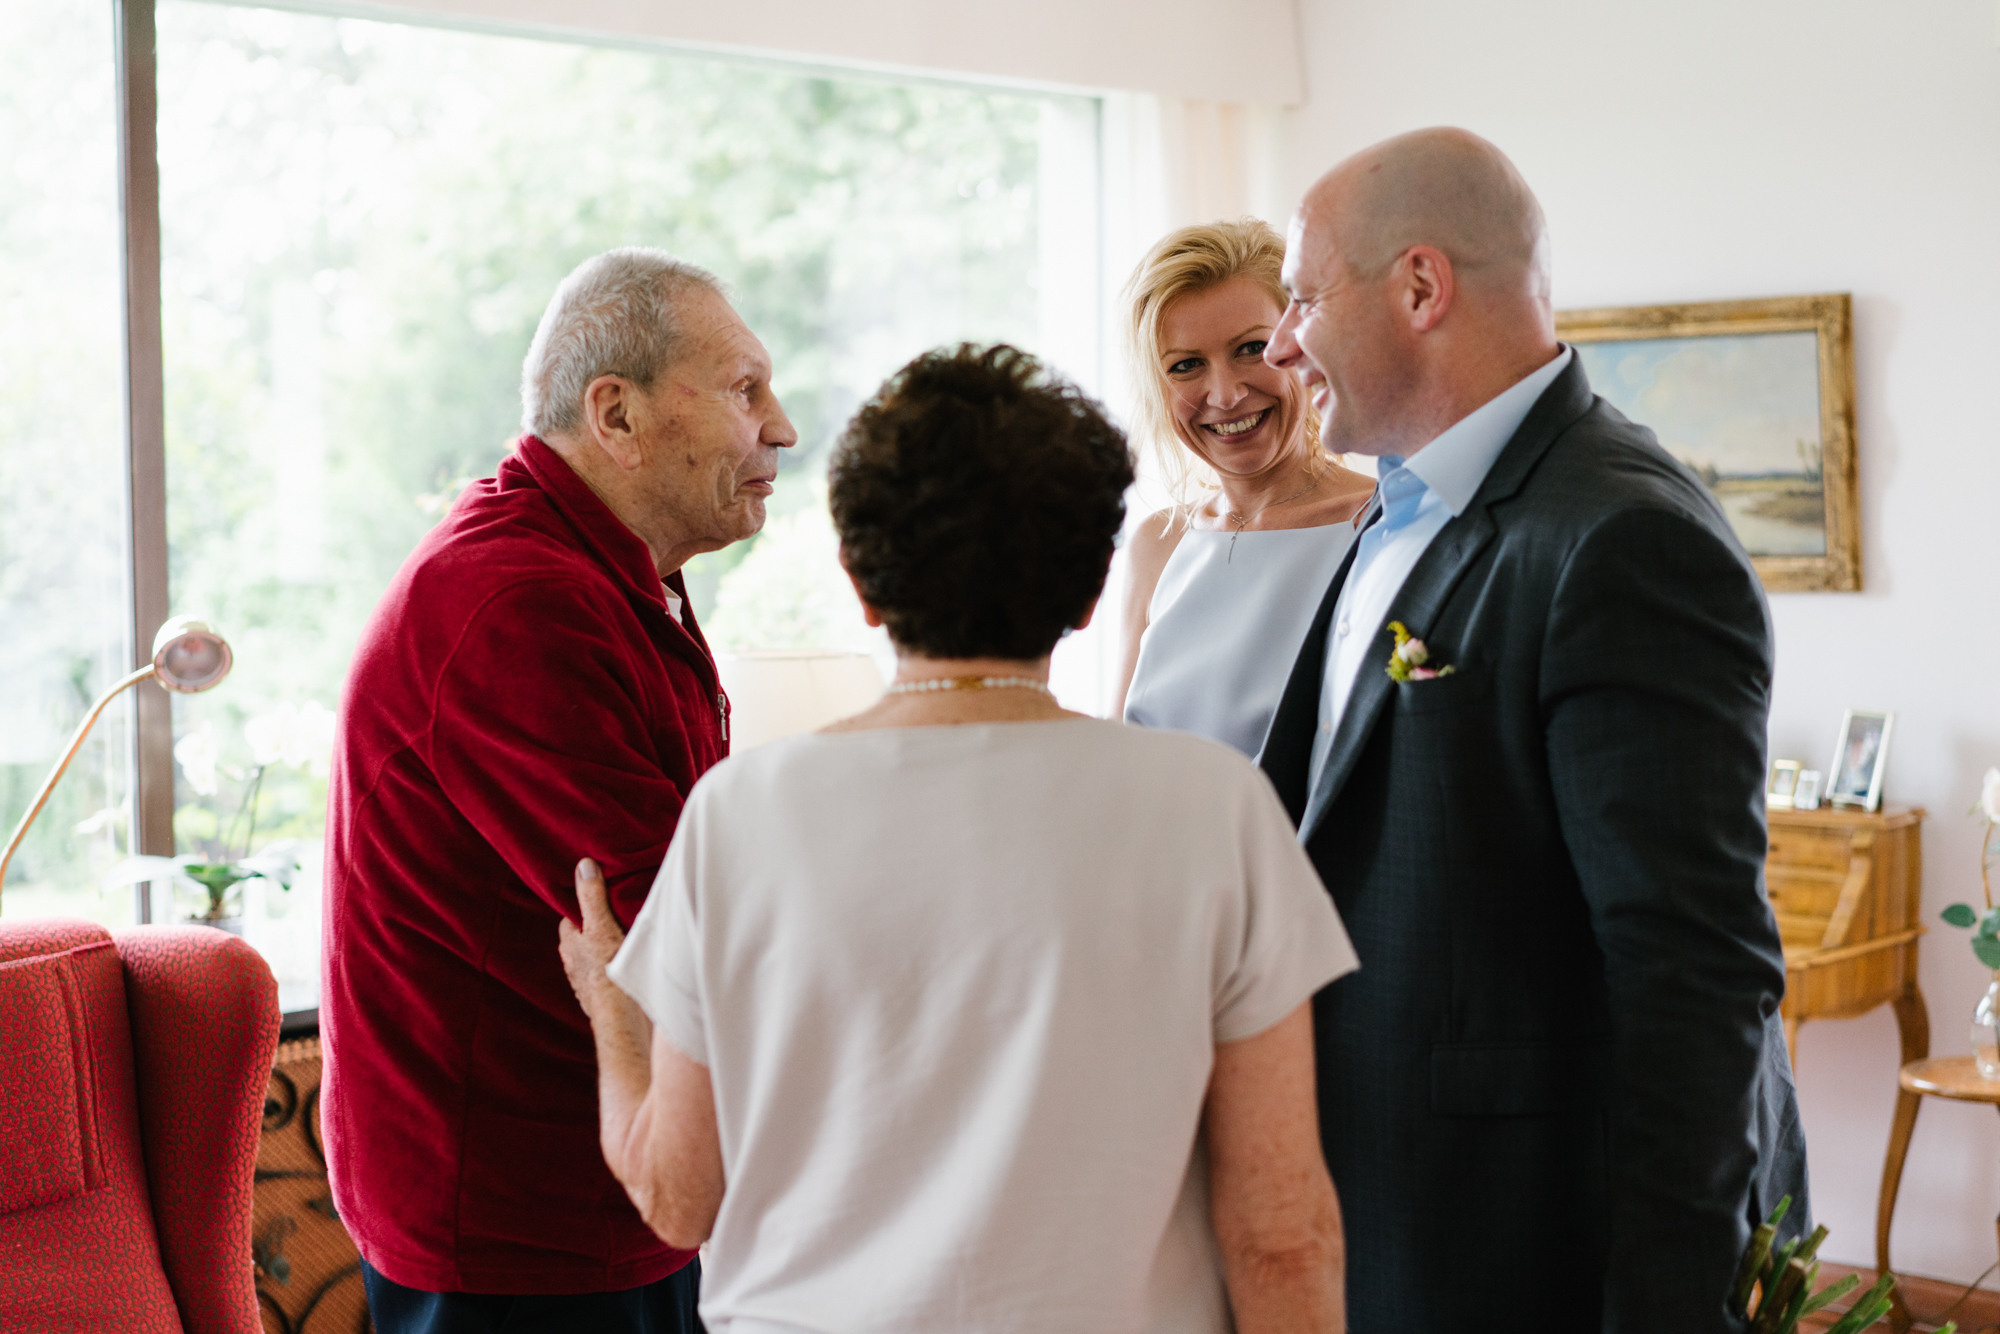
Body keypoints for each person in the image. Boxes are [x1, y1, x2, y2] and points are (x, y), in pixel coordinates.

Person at [558, 344, 1359, 1334]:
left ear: (859, 580)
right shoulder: (1213, 806)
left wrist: (610, 1004)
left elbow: (675, 1196)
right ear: (1088, 587)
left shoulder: (741, 813)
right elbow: (1282, 1234)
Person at [1257, 129, 1809, 1330]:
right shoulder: (1397, 507)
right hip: (1381, 1211)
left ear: (1418, 287)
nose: (1281, 341)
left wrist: (1666, 1302)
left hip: (1524, 1247)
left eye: (1301, 297)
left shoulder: (1619, 538)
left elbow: (1692, 973)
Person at [322, 247, 796, 1333]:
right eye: (743, 389)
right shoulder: (514, 602)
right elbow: (667, 924)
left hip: (608, 1186)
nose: (780, 425)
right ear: (615, 414)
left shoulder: (607, 572)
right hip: (520, 1233)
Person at [1115, 220, 1376, 757]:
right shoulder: (1156, 545)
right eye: (1186, 365)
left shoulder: (1381, 523)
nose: (1226, 394)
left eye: (1251, 349)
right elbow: (1118, 760)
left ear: (1304, 346)